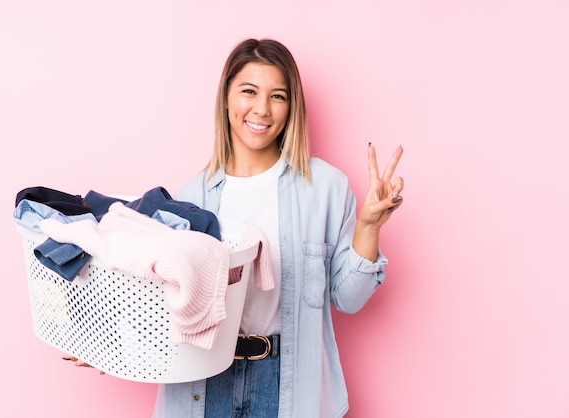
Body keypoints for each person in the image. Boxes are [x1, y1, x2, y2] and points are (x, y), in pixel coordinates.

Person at [151, 38, 405, 417]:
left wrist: (368, 226)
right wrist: (105, 347)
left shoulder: (325, 187)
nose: (262, 109)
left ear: (292, 107)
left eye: (278, 96)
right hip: (204, 384)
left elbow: (349, 299)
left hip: (288, 384)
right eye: (249, 91)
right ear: (226, 98)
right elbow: (161, 309)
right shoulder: (188, 201)